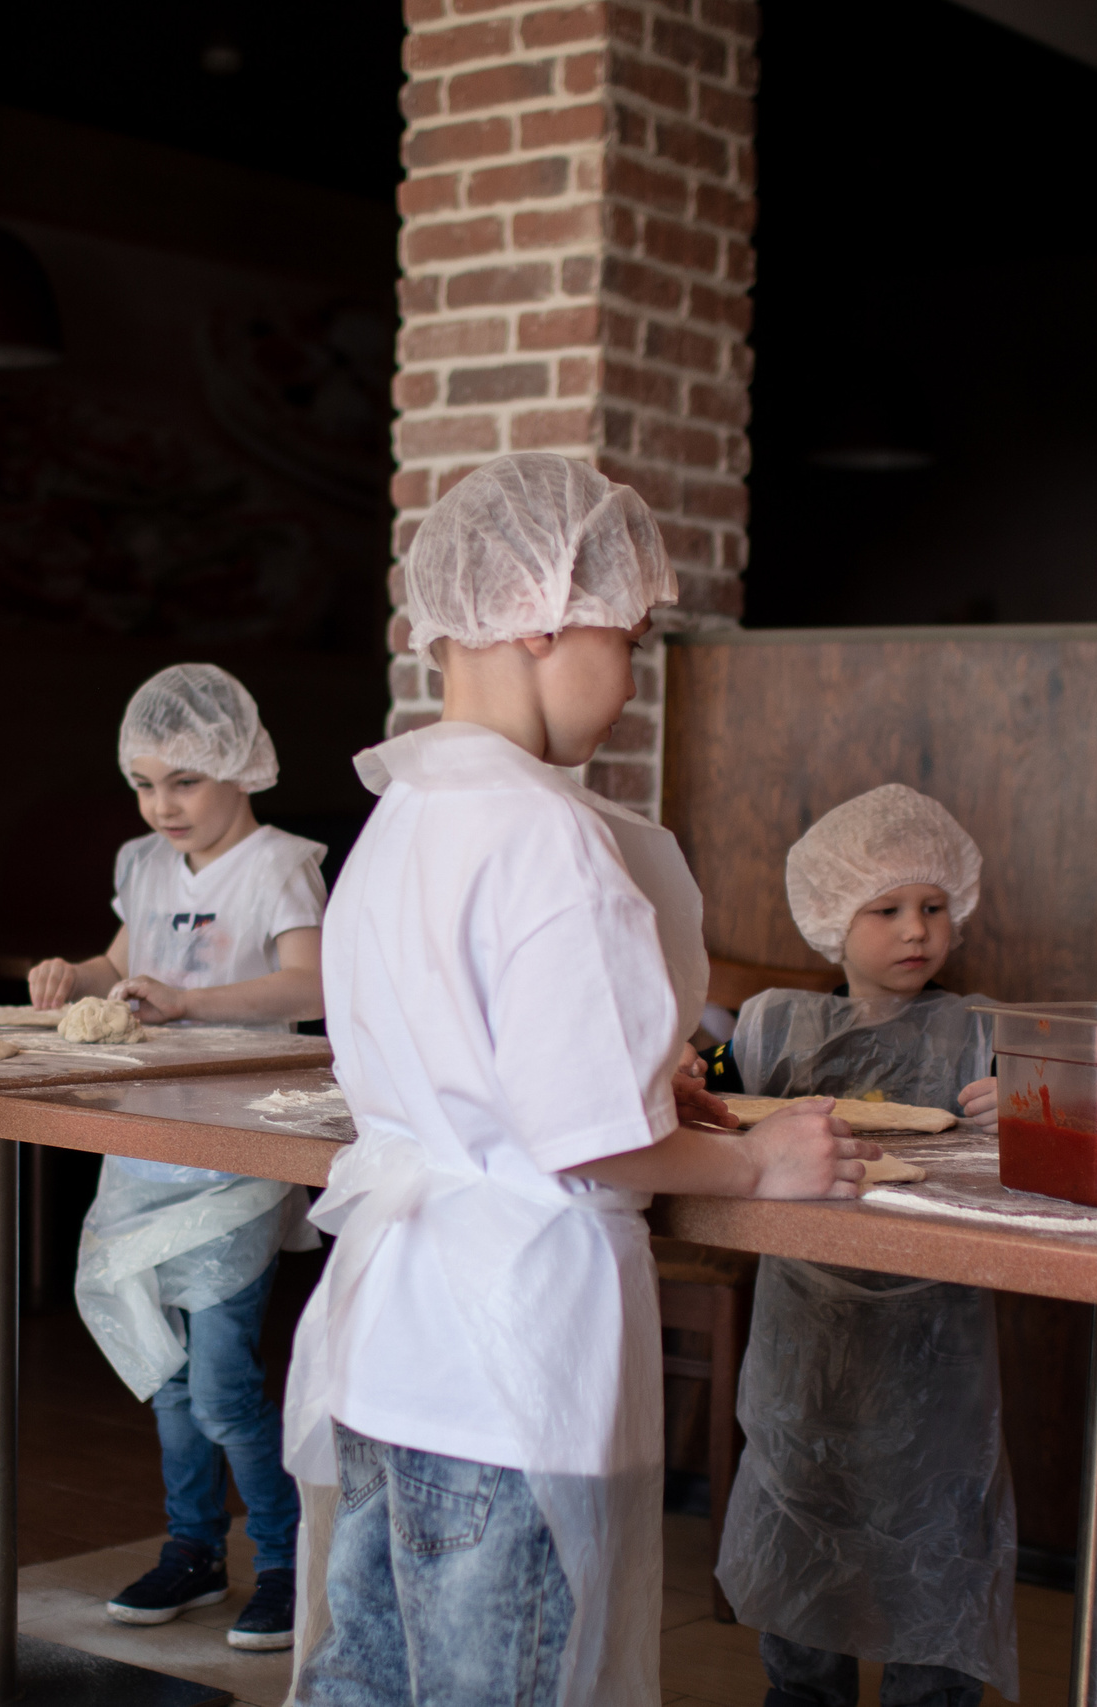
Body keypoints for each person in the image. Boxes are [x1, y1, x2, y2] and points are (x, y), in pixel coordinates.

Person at [283, 452, 876, 1707]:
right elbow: (582, 1136)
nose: (629, 680)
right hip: (505, 1366)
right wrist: (759, 1161)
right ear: (543, 617)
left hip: (389, 1354)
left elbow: (479, 1060)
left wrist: (637, 1077)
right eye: (633, 637)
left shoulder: (401, 813)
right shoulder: (545, 830)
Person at [25, 662, 322, 1649]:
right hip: (141, 1148)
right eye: (145, 784)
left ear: (241, 765)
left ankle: (282, 1562)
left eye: (184, 781)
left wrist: (191, 1002)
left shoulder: (280, 863)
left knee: (225, 1379)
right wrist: (79, 974)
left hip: (236, 1145)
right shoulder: (141, 864)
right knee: (164, 1369)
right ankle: (193, 1548)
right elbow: (124, 961)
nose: (163, 805)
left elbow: (304, 988)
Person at [705, 783, 1014, 1707]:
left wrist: (1032, 1104)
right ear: (830, 922)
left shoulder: (986, 1035)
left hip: (938, 1355)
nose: (915, 929)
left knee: (940, 1535)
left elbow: (1055, 1135)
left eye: (932, 907)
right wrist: (685, 1074)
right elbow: (713, 1111)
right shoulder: (772, 1029)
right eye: (885, 909)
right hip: (806, 1346)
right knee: (806, 1519)